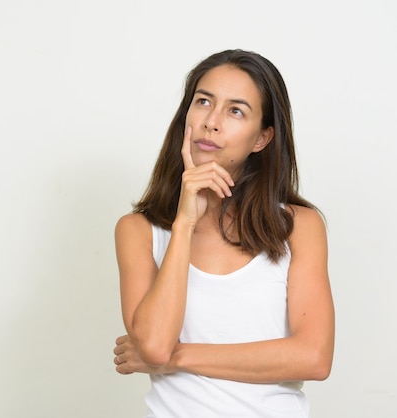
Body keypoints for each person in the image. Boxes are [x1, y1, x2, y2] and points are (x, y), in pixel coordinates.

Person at [112, 49, 335, 418]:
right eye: (203, 102)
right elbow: (153, 347)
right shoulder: (138, 231)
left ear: (262, 139)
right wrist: (183, 225)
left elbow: (313, 358)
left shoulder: (298, 227)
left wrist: (177, 357)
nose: (211, 122)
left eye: (236, 111)